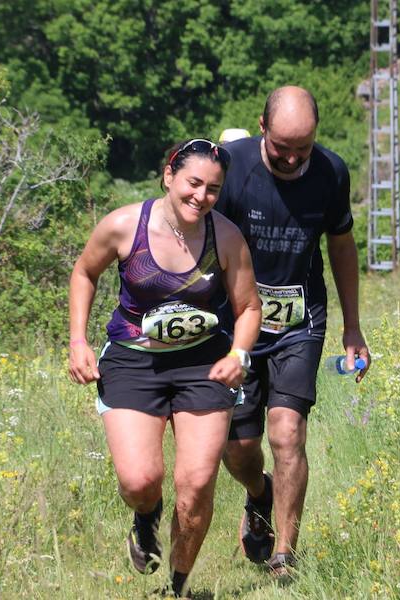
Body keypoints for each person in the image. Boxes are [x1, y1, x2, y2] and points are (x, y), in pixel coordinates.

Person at [68, 139, 261, 598]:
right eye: (193, 183)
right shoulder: (122, 226)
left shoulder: (227, 237)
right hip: (134, 362)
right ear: (169, 175)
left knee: (195, 488)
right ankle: (145, 515)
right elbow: (84, 274)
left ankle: (176, 586)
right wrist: (78, 341)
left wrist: (239, 355)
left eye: (213, 189)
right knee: (140, 481)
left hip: (203, 364)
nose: (201, 196)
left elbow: (249, 306)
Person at [214, 86, 370, 575]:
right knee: (238, 450)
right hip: (238, 323)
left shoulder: (331, 171)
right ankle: (258, 494)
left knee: (287, 432)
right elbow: (199, 241)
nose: (292, 158)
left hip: (298, 322)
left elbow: (342, 248)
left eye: (303, 148)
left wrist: (353, 327)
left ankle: (285, 554)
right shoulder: (231, 165)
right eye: (282, 147)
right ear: (261, 127)